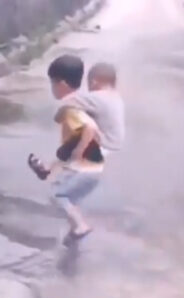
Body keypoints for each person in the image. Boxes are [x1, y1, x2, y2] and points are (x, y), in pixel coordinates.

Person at [29, 54, 105, 246]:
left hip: (86, 167)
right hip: (92, 167)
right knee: (70, 196)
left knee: (58, 195)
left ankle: (80, 227)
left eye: (52, 84)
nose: (52, 89)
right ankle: (74, 230)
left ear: (61, 84)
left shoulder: (70, 108)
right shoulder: (81, 102)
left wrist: (79, 151)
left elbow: (90, 129)